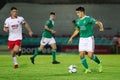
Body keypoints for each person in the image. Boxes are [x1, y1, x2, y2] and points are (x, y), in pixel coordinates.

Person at [68, 6, 104, 73]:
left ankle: (99, 63)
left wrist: (101, 27)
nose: (77, 14)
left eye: (78, 13)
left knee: (90, 56)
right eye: (76, 13)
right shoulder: (78, 21)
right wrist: (71, 37)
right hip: (82, 39)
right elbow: (77, 30)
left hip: (89, 39)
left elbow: (98, 22)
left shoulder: (88, 19)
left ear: (82, 12)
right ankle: (87, 69)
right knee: (81, 55)